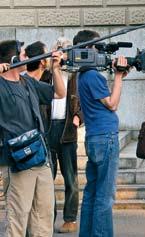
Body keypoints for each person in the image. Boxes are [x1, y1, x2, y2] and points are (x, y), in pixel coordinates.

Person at [0, 40, 65, 236]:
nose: (28, 58)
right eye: (23, 55)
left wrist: (55, 69)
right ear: (12, 59)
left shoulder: (28, 81)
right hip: (17, 161)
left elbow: (60, 93)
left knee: (44, 215)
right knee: (18, 217)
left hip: (40, 156)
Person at [73, 30, 129, 237]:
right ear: (88, 49)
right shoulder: (93, 76)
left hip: (94, 137)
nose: (100, 52)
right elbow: (112, 104)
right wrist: (119, 77)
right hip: (105, 137)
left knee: (92, 192)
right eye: (97, 47)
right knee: (105, 196)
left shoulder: (82, 74)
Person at [25, 39, 81, 233]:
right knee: (47, 178)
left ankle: (70, 218)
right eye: (58, 50)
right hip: (48, 128)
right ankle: (48, 218)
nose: (60, 54)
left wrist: (78, 118)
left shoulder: (75, 76)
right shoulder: (47, 74)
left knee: (71, 178)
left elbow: (83, 101)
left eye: (65, 51)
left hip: (67, 130)